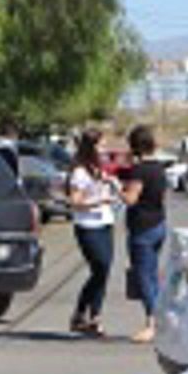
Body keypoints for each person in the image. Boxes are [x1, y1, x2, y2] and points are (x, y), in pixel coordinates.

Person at [118, 124, 168, 344]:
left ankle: (152, 323)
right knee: (152, 273)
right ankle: (159, 318)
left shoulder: (139, 171)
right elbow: (161, 196)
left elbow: (131, 199)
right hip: (159, 223)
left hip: (142, 228)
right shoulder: (159, 168)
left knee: (144, 277)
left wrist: (116, 188)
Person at [66, 130, 119, 335]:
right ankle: (80, 313)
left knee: (104, 272)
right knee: (100, 266)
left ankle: (94, 316)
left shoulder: (98, 168)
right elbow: (75, 202)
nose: (104, 150)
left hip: (105, 222)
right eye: (100, 146)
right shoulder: (79, 172)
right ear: (91, 147)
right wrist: (99, 201)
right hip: (87, 226)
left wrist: (112, 185)